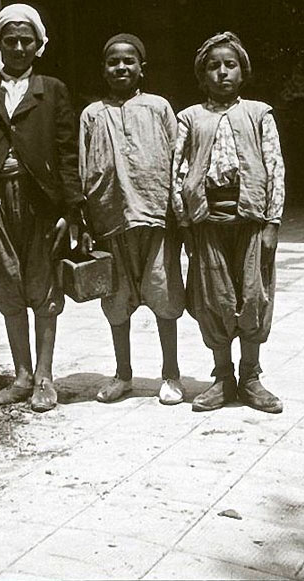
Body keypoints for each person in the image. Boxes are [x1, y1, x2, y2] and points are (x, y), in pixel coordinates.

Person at [0, 3, 84, 413]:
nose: (17, 46)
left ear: (38, 44)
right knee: (8, 287)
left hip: (41, 204)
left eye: (25, 39)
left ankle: (46, 377)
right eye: (9, 39)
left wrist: (71, 208)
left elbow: (67, 153)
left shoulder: (53, 90)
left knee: (44, 287)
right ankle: (22, 376)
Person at [172, 31, 285, 413]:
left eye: (230, 65)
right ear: (203, 75)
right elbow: (177, 170)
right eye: (213, 66)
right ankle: (222, 378)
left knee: (253, 295)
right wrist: (186, 222)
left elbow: (274, 168)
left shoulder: (259, 113)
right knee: (213, 298)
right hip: (207, 220)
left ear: (243, 71)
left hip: (251, 218)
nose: (222, 72)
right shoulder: (189, 117)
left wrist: (272, 222)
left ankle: (250, 377)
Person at [79, 33, 186, 405]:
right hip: (111, 222)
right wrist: (86, 220)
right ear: (103, 69)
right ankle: (123, 374)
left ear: (142, 68)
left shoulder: (159, 107)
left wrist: (179, 214)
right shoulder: (92, 114)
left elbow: (178, 160)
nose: (121, 67)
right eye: (113, 62)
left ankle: (170, 374)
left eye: (128, 61)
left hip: (157, 218)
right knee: (116, 301)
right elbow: (83, 169)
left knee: (164, 295)